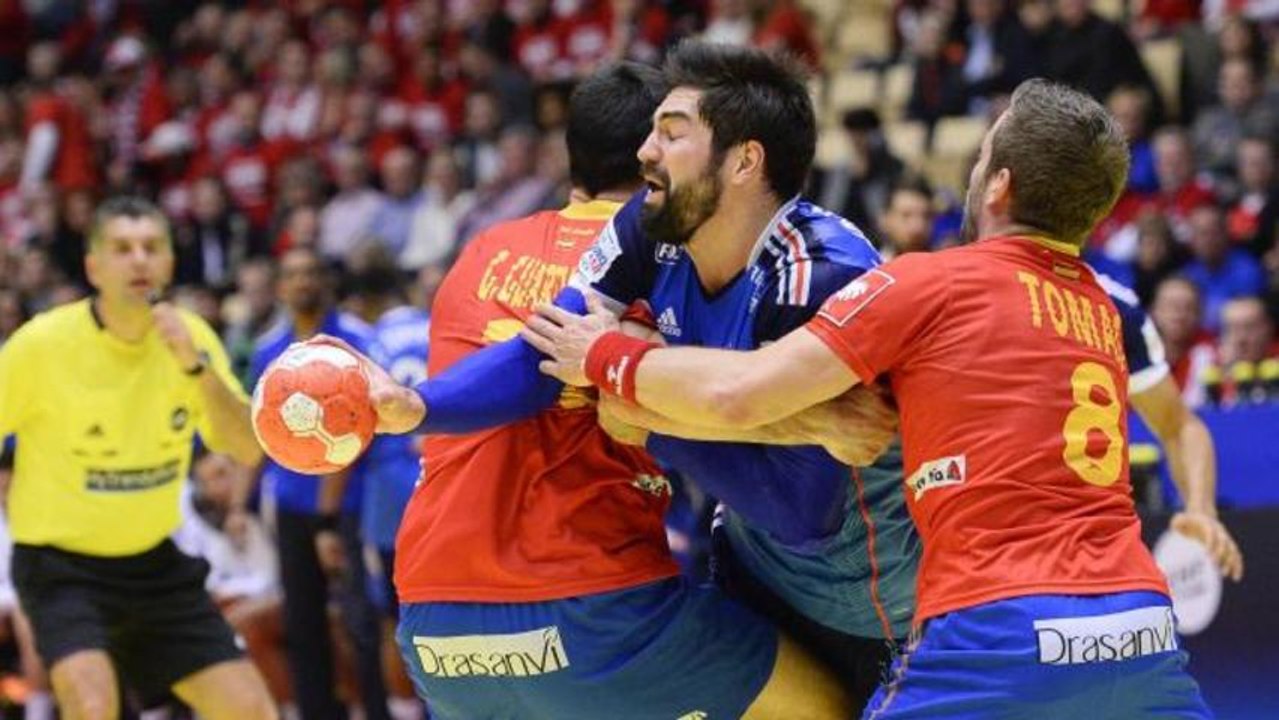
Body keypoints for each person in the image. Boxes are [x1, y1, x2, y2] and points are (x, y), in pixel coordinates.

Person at [524, 80, 1217, 717]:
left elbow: (739, 393)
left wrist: (603, 355)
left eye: (979, 160)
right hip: (1138, 625)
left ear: (998, 186)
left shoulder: (928, 284)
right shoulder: (1103, 308)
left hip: (997, 628)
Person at [318, 61, 854, 719]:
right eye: (652, 134)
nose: (649, 150)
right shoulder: (658, 242)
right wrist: (649, 402)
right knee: (823, 705)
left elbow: (534, 363)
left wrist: (422, 407)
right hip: (590, 607)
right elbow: (551, 359)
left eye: (671, 134)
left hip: (432, 616)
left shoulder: (481, 248)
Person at [541, 41, 915, 710]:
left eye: (671, 134)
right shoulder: (651, 224)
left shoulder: (818, 273)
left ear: (745, 160)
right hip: (749, 574)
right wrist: (408, 406)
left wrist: (643, 407)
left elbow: (799, 511)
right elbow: (556, 344)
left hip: (867, 602)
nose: (644, 152)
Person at [0, 196, 275, 719]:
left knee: (252, 710)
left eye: (152, 248)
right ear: (93, 266)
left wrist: (197, 370)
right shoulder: (41, 346)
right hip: (60, 568)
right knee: (92, 703)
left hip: (154, 565)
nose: (139, 261)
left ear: (170, 263)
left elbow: (244, 446)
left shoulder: (191, 338)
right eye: (122, 249)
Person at [250, 246, 391, 720]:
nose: (302, 281)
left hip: (347, 508)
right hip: (290, 506)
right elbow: (258, 432)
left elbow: (364, 426)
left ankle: (376, 710)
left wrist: (328, 518)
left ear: (325, 281)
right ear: (280, 287)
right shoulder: (269, 348)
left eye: (311, 272)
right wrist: (238, 500)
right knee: (302, 622)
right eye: (292, 274)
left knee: (360, 621)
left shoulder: (354, 341)